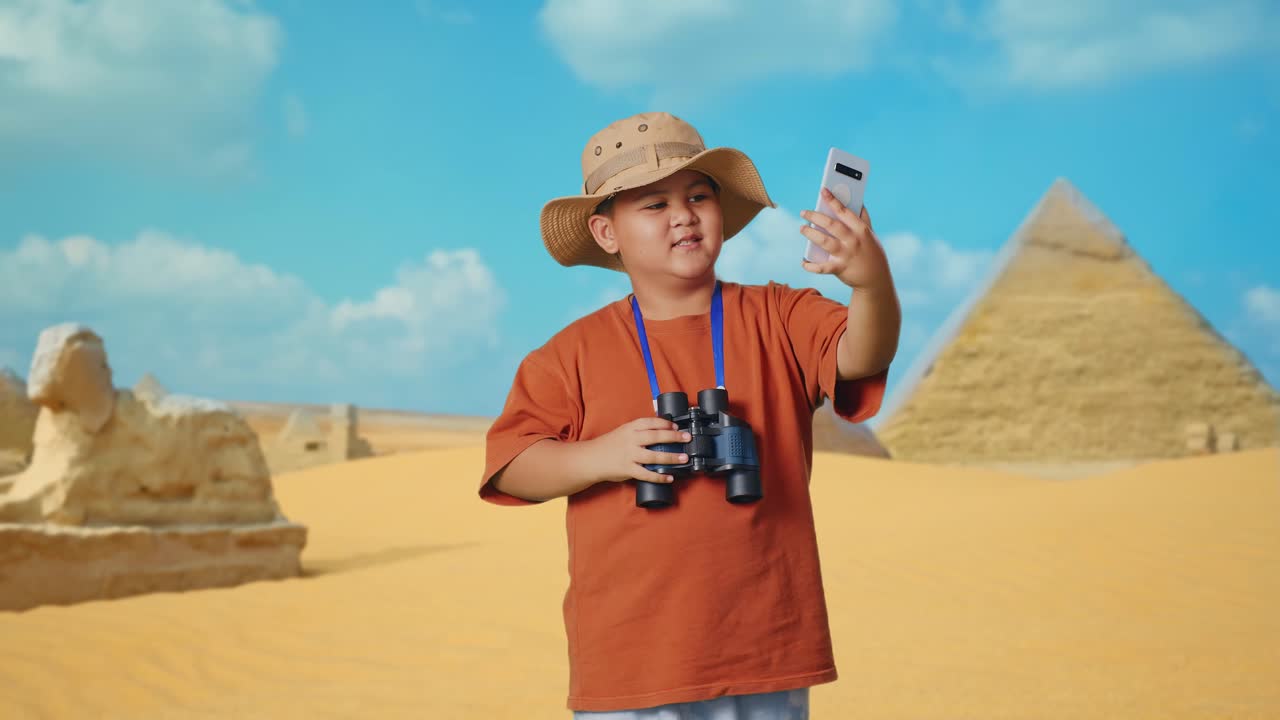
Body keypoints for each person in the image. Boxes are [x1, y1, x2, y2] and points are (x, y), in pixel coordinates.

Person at [478, 111, 901, 718]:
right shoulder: (568, 353)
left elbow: (863, 354)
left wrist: (871, 285)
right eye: (654, 205)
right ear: (606, 233)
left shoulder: (779, 316)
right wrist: (602, 456)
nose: (683, 214)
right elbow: (511, 464)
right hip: (632, 660)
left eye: (699, 195)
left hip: (767, 649)